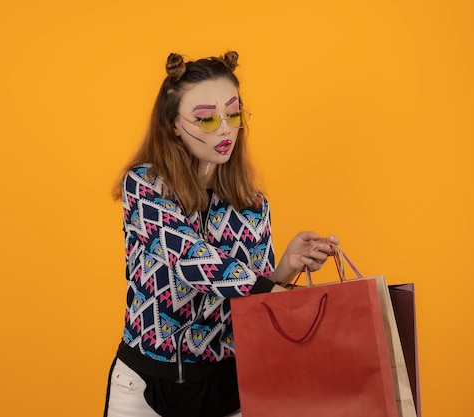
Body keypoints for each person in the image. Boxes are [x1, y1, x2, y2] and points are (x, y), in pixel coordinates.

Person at [104, 51, 339, 417]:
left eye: (233, 115)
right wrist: (274, 289)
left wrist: (285, 269)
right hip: (144, 386)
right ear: (173, 124)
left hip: (231, 387)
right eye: (207, 119)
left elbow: (252, 302)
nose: (226, 129)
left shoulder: (251, 203)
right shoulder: (146, 186)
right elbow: (191, 260)